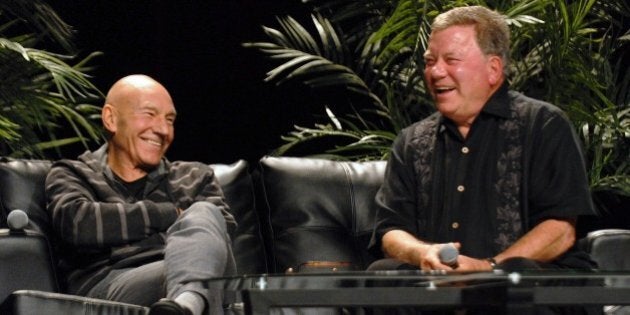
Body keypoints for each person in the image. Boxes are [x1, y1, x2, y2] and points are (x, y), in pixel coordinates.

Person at [368, 5, 599, 314]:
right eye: (429, 61)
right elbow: (391, 230)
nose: (435, 72)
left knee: (517, 276)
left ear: (493, 69)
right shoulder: (411, 141)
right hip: (438, 287)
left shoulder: (543, 124)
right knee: (381, 276)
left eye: (451, 60)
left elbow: (560, 231)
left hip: (520, 287)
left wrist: (487, 269)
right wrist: (424, 253)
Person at [45, 74, 237, 315]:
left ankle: (184, 305)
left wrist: (122, 228)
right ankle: (189, 302)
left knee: (205, 215)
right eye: (149, 114)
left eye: (170, 119)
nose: (163, 129)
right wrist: (170, 214)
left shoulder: (195, 176)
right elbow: (79, 224)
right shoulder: (73, 173)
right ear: (111, 118)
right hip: (114, 283)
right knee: (203, 268)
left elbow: (220, 234)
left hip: (197, 270)